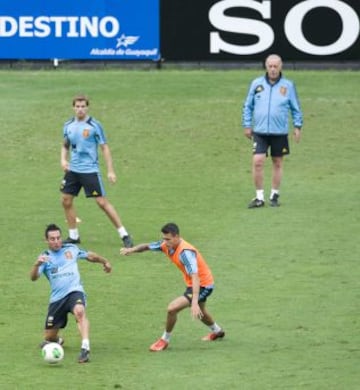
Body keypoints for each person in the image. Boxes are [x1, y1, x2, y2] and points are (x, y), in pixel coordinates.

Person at [120, 222, 225, 352]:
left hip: (202, 285)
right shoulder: (166, 245)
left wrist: (194, 301)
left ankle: (164, 340)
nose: (165, 242)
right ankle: (218, 331)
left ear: (177, 237)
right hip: (193, 283)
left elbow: (195, 276)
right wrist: (132, 249)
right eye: (164, 238)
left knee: (172, 309)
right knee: (200, 313)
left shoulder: (185, 253)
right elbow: (147, 246)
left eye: (168, 239)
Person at [30, 223, 112, 363]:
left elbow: (90, 256)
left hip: (74, 291)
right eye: (52, 239)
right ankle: (57, 340)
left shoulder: (71, 249)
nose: (56, 241)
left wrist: (105, 261)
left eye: (58, 238)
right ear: (46, 240)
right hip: (57, 299)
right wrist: (37, 264)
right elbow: (33, 278)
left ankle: (85, 348)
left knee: (80, 311)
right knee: (49, 337)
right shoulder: (44, 257)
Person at [60, 94, 133, 247]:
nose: (80, 109)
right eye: (77, 106)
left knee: (101, 202)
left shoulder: (94, 125)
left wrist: (110, 170)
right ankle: (73, 236)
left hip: (90, 171)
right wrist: (63, 159)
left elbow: (104, 147)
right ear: (73, 107)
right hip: (73, 170)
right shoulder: (68, 125)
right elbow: (65, 144)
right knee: (66, 200)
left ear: (87, 107)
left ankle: (124, 234)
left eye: (83, 106)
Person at [242, 54, 303, 208]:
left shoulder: (288, 86)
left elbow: (296, 108)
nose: (273, 69)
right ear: (266, 66)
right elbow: (247, 106)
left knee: (277, 163)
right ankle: (259, 197)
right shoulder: (256, 84)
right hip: (260, 131)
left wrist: (297, 126)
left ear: (281, 67)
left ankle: (274, 195)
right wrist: (247, 125)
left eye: (276, 66)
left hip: (279, 132)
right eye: (270, 66)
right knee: (257, 162)